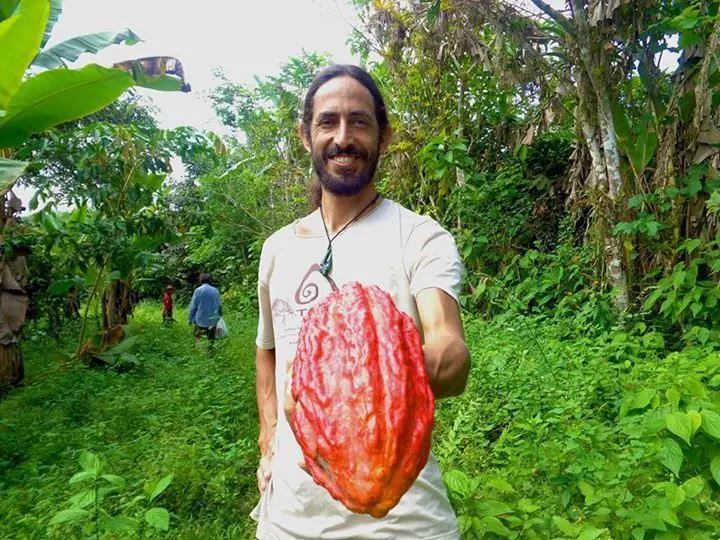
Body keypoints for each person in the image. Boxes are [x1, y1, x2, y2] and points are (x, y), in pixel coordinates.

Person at [252, 65, 471, 539]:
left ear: (383, 136)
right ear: (305, 135)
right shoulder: (278, 249)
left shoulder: (419, 237)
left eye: (360, 121)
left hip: (404, 524)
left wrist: (382, 373)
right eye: (328, 122)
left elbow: (449, 348)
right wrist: (268, 437)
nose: (343, 137)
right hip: (289, 523)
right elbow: (269, 350)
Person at [188, 273, 222, 343]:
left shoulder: (197, 290)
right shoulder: (215, 290)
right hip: (213, 320)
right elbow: (219, 305)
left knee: (198, 338)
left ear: (200, 280)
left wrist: (190, 319)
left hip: (200, 320)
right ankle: (211, 351)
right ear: (210, 280)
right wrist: (220, 316)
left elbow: (193, 306)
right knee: (211, 339)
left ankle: (200, 351)